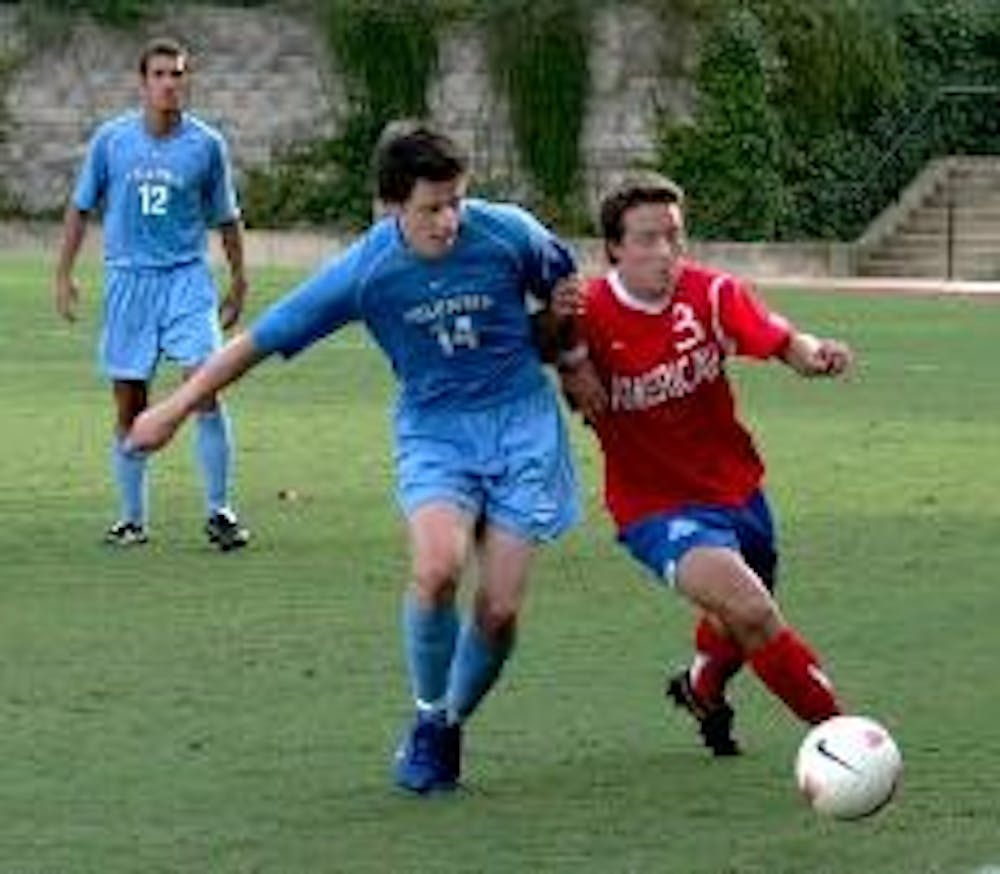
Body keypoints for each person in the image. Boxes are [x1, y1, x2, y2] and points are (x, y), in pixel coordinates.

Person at [126, 120, 583, 793]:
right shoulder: (367, 270)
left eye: (456, 200)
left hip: (522, 427)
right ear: (392, 205)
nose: (450, 220)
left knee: (499, 612)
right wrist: (171, 407)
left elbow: (565, 290)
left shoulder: (508, 230)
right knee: (435, 570)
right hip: (435, 432)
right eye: (432, 207)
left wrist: (571, 356)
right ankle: (430, 720)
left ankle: (452, 720)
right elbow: (257, 342)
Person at [558, 172, 852, 756]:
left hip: (739, 491)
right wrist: (569, 364)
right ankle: (843, 737)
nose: (664, 252)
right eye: (647, 239)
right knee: (751, 609)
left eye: (674, 236)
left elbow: (780, 339)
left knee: (739, 621)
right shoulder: (585, 311)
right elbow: (542, 342)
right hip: (654, 508)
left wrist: (813, 355)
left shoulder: (712, 294)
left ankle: (701, 687)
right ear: (614, 247)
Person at [54, 37, 250, 551]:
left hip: (186, 280)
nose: (170, 83)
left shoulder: (207, 145)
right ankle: (132, 519)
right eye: (160, 74)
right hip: (128, 282)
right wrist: (64, 273)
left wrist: (239, 279)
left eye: (178, 74)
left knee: (206, 386)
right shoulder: (111, 141)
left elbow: (227, 217)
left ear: (187, 81)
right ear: (143, 83)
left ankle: (220, 512)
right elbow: (80, 207)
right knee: (129, 403)